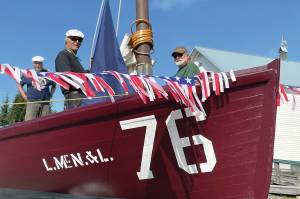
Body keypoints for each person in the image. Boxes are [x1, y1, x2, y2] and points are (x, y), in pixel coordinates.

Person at [55, 29, 87, 109]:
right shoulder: (63, 55)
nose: (77, 42)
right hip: (74, 98)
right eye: (73, 38)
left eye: (79, 40)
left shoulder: (74, 58)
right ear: (66, 40)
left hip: (81, 97)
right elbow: (67, 78)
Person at [17, 56, 56, 121]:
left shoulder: (47, 73)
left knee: (46, 123)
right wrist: (24, 96)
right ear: (33, 63)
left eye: (39, 63)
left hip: (45, 103)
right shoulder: (27, 73)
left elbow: (54, 84)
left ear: (42, 63)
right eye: (36, 63)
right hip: (32, 102)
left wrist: (51, 94)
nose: (37, 65)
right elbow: (19, 84)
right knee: (29, 123)